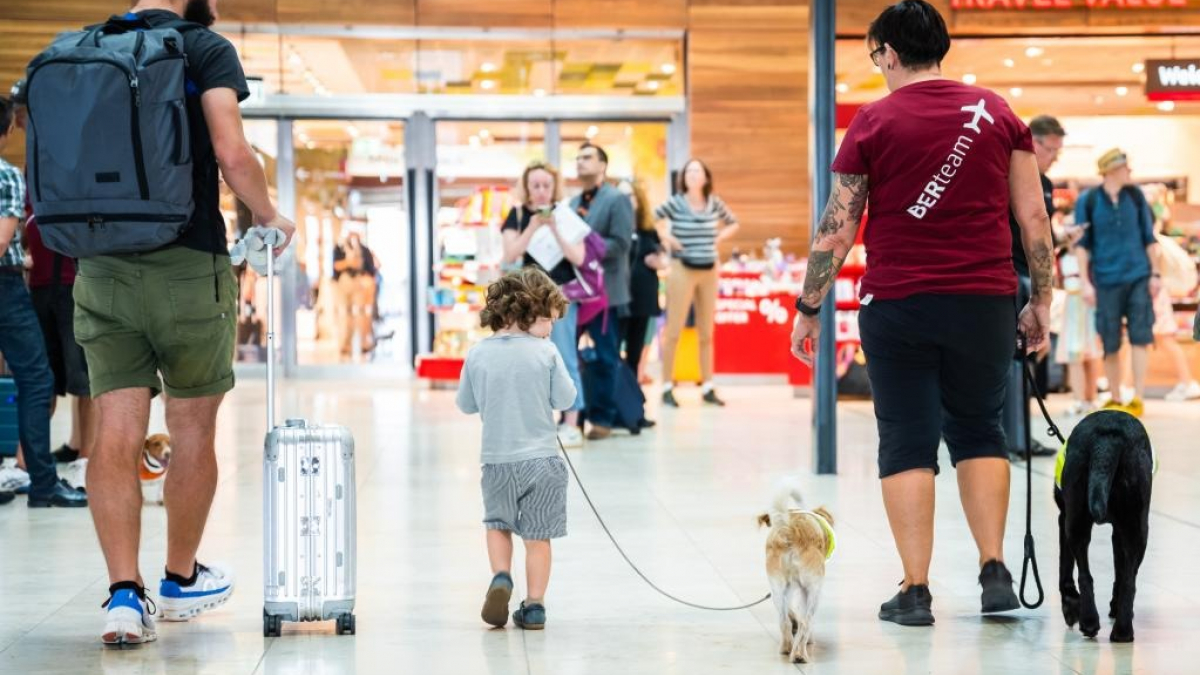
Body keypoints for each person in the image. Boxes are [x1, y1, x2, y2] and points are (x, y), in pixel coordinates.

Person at [789, 0, 1054, 627]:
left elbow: (837, 227)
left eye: (875, 53)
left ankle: (915, 589)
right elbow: (1034, 218)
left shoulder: (873, 121)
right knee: (979, 430)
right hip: (985, 302)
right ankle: (994, 573)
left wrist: (809, 307)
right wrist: (1040, 299)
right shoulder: (998, 113)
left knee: (906, 439)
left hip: (900, 303)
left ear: (888, 52)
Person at [64, 0, 296, 646]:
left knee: (115, 432)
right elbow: (232, 150)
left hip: (102, 266)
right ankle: (178, 576)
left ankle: (121, 596)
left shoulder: (92, 46)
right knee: (192, 428)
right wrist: (270, 215)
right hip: (189, 263)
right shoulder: (203, 47)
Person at [455, 267, 576, 631]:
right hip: (543, 462)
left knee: (497, 524)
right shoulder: (546, 353)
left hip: (497, 462)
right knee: (538, 537)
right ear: (525, 312)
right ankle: (535, 605)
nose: (551, 329)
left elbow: (466, 404)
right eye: (547, 320)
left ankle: (502, 577)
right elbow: (567, 398)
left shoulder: (478, 354)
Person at [0, 96, 88, 510]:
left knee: (51, 380)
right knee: (37, 381)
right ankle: (42, 482)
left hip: (48, 283)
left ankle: (45, 468)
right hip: (10, 287)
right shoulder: (9, 177)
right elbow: (1, 242)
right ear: (9, 131)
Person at [501, 161, 588, 448]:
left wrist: (555, 230)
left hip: (561, 296)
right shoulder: (516, 215)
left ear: (554, 187)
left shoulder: (566, 215)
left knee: (565, 356)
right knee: (530, 360)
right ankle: (539, 422)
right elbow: (511, 253)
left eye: (546, 185)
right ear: (526, 187)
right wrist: (533, 226)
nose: (540, 191)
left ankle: (572, 422)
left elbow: (578, 257)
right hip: (528, 297)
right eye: (535, 185)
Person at [1075, 149, 1160, 418]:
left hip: (1138, 276)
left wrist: (1155, 274)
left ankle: (1138, 397)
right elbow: (1081, 246)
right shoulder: (1087, 201)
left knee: (1140, 336)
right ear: (1111, 170)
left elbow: (1150, 238)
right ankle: (1114, 396)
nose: (1129, 172)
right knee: (1110, 340)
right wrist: (1086, 283)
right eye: (1125, 168)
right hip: (1106, 280)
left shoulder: (1136, 198)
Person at [1002, 115, 1065, 459]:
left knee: (1031, 358)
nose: (1054, 156)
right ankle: (1012, 437)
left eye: (1059, 150)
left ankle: (1021, 435)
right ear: (1034, 143)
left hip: (1035, 276)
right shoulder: (1011, 177)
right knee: (1014, 357)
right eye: (1050, 149)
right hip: (1011, 274)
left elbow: (1044, 230)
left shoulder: (1047, 183)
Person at [656, 159, 740, 408]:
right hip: (682, 268)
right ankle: (667, 386)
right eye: (689, 171)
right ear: (683, 177)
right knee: (674, 330)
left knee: (707, 331)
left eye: (698, 171)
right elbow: (650, 219)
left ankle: (707, 385)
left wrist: (721, 236)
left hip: (709, 270)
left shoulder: (714, 202)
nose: (693, 175)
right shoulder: (676, 202)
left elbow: (733, 222)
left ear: (705, 177)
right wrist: (667, 237)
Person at [571, 143, 634, 441]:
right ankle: (573, 417)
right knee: (570, 357)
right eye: (578, 158)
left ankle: (602, 418)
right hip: (573, 294)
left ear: (603, 165)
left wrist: (584, 252)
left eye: (587, 158)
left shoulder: (617, 199)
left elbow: (621, 244)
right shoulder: (571, 203)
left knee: (607, 356)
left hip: (606, 293)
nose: (580, 163)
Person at [619, 179, 667, 387]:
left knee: (636, 350)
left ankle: (632, 401)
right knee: (612, 349)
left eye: (630, 195)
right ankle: (615, 399)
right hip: (618, 297)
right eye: (621, 196)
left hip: (643, 296)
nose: (626, 200)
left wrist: (658, 262)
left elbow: (663, 258)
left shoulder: (648, 230)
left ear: (638, 200)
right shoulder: (613, 228)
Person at [332, 231, 378, 358]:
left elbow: (371, 269)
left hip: (360, 282)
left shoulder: (364, 250)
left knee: (362, 314)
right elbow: (335, 266)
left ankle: (364, 342)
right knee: (345, 315)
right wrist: (348, 262)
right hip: (344, 282)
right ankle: (345, 344)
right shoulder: (340, 248)